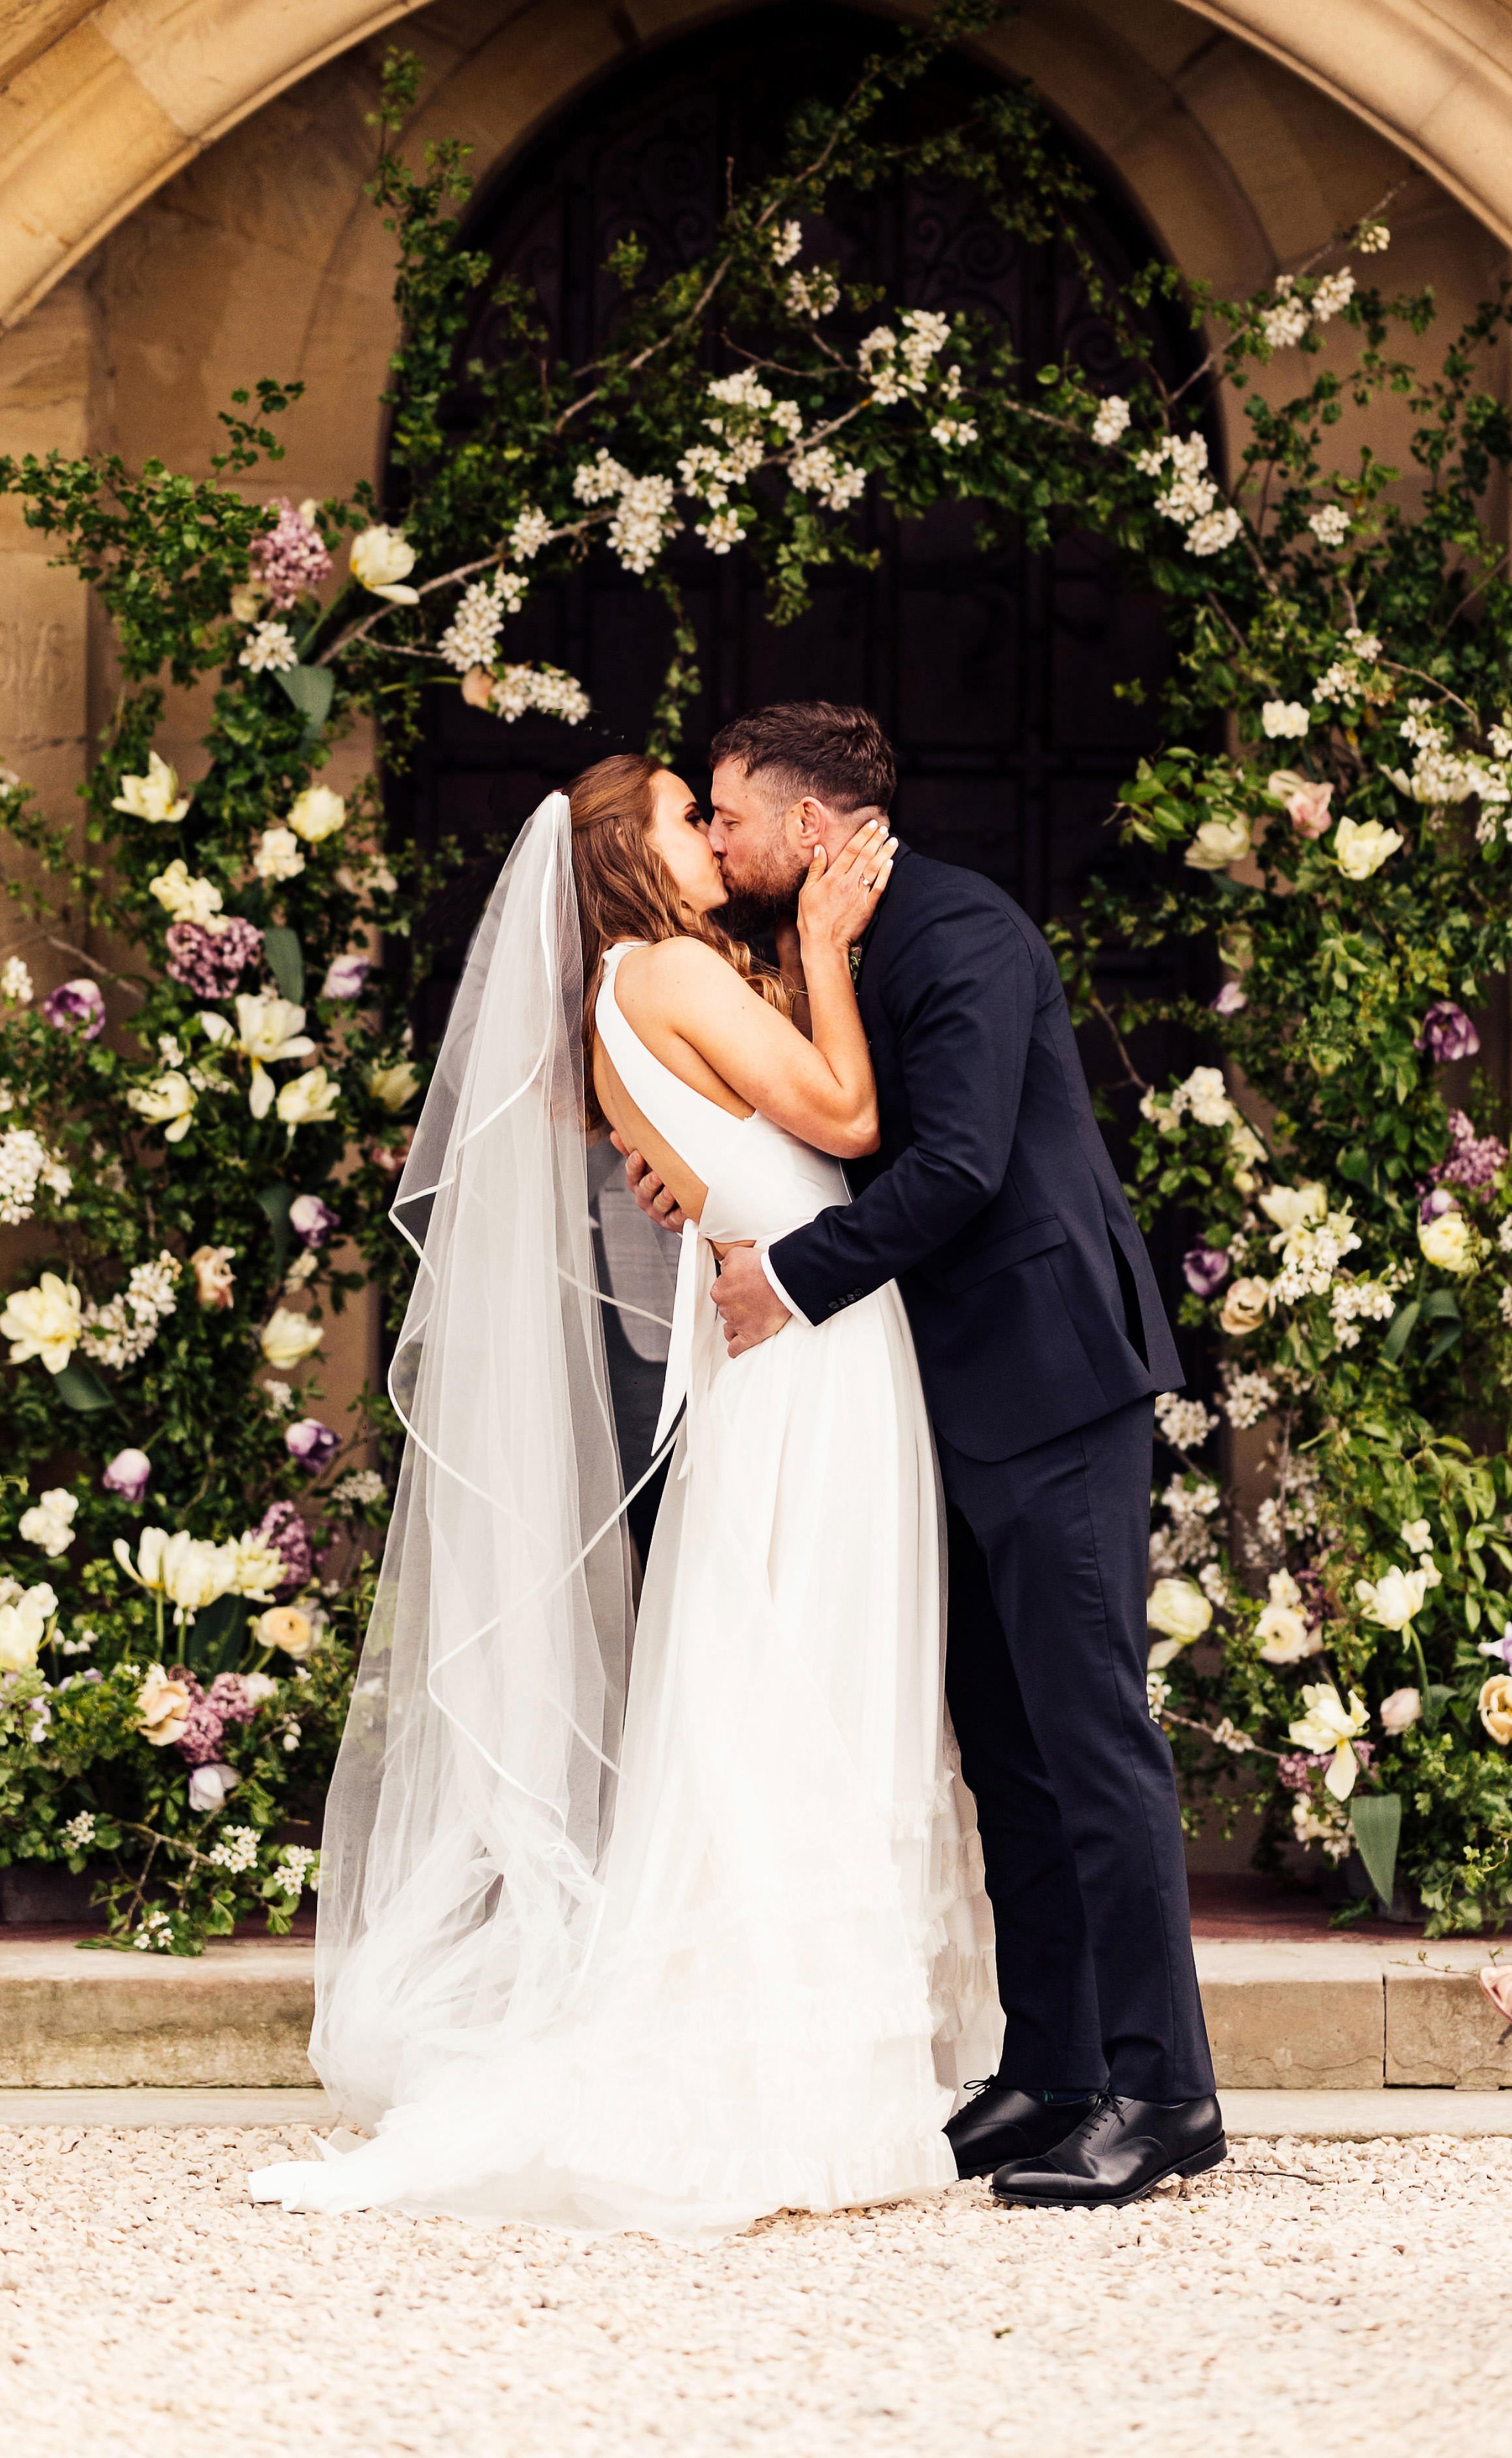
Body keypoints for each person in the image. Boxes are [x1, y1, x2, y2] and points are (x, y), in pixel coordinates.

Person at [249, 752, 1000, 2242]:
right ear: (626, 858)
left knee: (791, 1665)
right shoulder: (660, 968)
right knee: (811, 1672)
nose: (708, 834)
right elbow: (848, 1120)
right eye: (683, 814)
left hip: (795, 1348)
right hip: (809, 1365)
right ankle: (798, 2060)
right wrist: (824, 947)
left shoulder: (638, 991)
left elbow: (754, 1143)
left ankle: (829, 2044)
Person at [625, 701, 1224, 2211]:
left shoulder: (960, 934)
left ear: (809, 827)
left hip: (1045, 1382)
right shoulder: (819, 951)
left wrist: (787, 1277)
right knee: (1007, 1757)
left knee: (1093, 1741)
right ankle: (1053, 2070)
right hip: (937, 1403)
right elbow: (824, 1132)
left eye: (726, 815)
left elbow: (952, 1167)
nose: (712, 837)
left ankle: (1165, 2093)